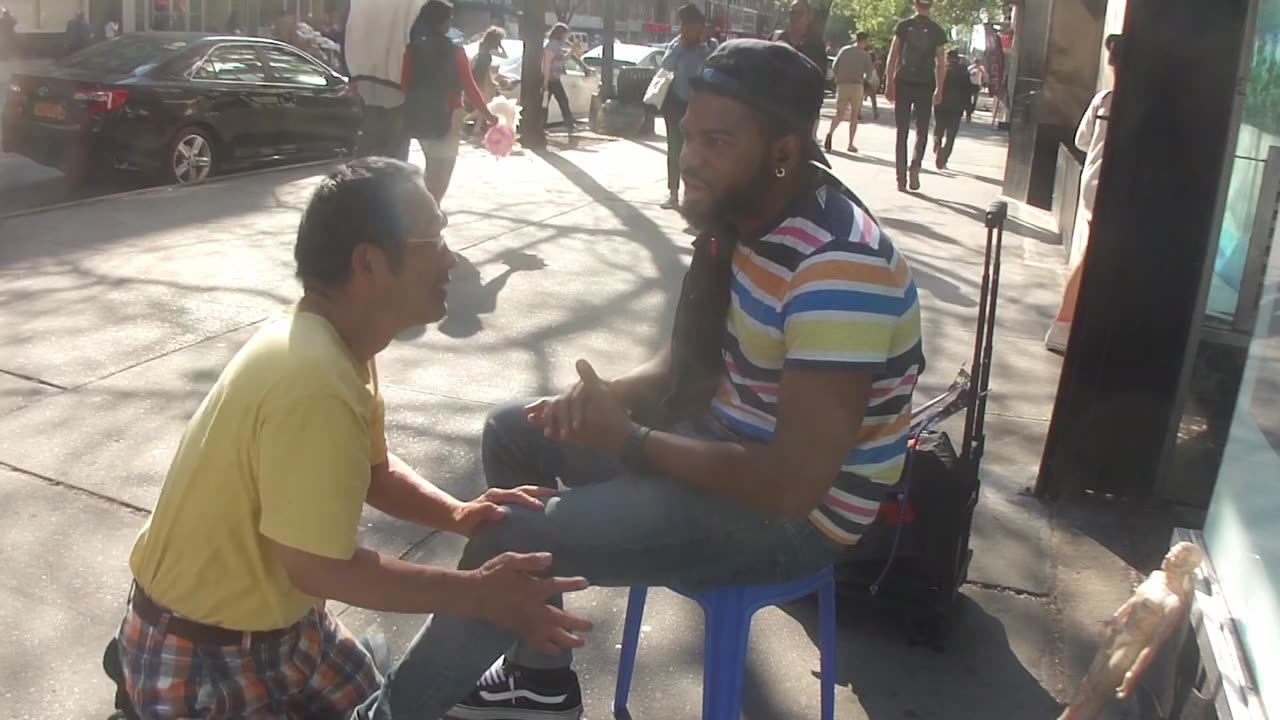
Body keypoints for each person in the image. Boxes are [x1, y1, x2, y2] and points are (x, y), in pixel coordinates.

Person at [353, 38, 925, 720]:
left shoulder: (838, 268)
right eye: (689, 137)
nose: (693, 160)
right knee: (515, 431)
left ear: (783, 152)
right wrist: (604, 400)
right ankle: (540, 677)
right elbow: (688, 366)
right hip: (718, 448)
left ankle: (389, 713)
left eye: (718, 141)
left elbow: (791, 484)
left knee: (512, 533)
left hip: (792, 520)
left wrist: (629, 440)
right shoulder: (745, 219)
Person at [110, 157, 591, 719]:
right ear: (369, 262)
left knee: (389, 703)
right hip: (204, 657)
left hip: (293, 630)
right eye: (433, 238)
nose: (452, 257)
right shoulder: (314, 378)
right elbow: (320, 568)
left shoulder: (338, 345)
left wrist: (459, 513)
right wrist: (479, 593)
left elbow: (373, 472)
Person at [1046, 35, 1122, 352]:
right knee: (1093, 256)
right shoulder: (1135, 103)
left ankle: (1071, 323)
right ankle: (1063, 324)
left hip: (1093, 183)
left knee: (1094, 254)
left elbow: (1081, 141)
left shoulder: (1103, 100)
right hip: (1111, 189)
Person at [401, 0, 497, 203]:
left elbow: (405, 84)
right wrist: (488, 115)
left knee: (431, 166)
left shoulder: (412, 49)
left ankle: (427, 211)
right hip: (449, 114)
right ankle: (429, 214)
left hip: (419, 114)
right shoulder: (456, 52)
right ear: (445, 22)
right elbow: (469, 87)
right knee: (443, 170)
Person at [342, 0, 422, 161]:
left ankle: (361, 175)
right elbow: (417, 37)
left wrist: (351, 72)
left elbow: (348, 31)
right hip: (395, 78)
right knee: (395, 144)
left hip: (364, 76)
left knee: (369, 136)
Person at [885, 0, 947, 192]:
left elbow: (893, 55)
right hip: (925, 85)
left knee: (901, 131)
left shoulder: (903, 27)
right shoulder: (937, 31)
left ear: (915, 4)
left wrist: (889, 82)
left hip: (903, 82)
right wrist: (940, 88)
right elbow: (941, 63)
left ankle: (900, 178)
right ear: (931, 6)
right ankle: (915, 166)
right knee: (921, 131)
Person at [658, 3, 713, 211]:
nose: (690, 31)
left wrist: (701, 47)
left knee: (697, 151)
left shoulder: (707, 47)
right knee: (675, 149)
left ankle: (695, 194)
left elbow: (714, 65)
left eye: (695, 27)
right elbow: (666, 65)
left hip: (698, 107)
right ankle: (673, 194)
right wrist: (681, 46)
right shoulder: (676, 45)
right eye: (687, 27)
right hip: (675, 104)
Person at [771, 0, 830, 137]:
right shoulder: (777, 38)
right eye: (792, 12)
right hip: (775, 109)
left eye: (799, 13)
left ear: (808, 18)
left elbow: (819, 79)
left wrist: (815, 111)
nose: (794, 17)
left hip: (802, 111)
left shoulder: (816, 45)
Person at [826, 31, 874, 153]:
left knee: (839, 114)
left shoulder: (844, 50)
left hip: (843, 85)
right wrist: (865, 80)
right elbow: (869, 73)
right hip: (856, 86)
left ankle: (830, 132)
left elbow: (835, 65)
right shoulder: (865, 55)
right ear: (865, 41)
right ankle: (850, 144)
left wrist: (838, 77)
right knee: (854, 116)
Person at [464, 26, 508, 137]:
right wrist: (501, 46)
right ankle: (465, 120)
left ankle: (477, 128)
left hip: (480, 76)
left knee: (484, 104)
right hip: (483, 79)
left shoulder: (482, 45)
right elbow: (504, 56)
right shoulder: (491, 49)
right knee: (484, 105)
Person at [932, 49, 971, 170]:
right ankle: (944, 158)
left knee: (938, 131)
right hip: (956, 108)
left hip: (941, 105)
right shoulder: (964, 72)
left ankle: (937, 147)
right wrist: (969, 111)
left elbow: (933, 86)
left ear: (948, 58)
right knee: (951, 136)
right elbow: (968, 93)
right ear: (957, 58)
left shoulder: (941, 70)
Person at [543, 23, 577, 134]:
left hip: (555, 79)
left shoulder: (558, 46)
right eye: (566, 35)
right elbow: (547, 63)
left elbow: (563, 60)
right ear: (561, 34)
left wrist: (572, 50)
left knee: (561, 101)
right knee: (547, 103)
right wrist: (545, 82)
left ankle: (569, 125)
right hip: (550, 79)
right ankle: (542, 127)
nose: (566, 37)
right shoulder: (552, 45)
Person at [967, 56, 987, 122]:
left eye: (978, 62)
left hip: (977, 84)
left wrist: (984, 82)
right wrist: (972, 72)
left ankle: (972, 109)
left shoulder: (981, 68)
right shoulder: (970, 67)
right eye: (976, 62)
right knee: (969, 98)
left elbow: (984, 75)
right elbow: (967, 73)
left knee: (975, 98)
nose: (977, 63)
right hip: (970, 84)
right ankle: (968, 112)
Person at [867, 49, 883, 119]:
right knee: (873, 98)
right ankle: (875, 112)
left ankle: (858, 112)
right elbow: (878, 70)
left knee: (860, 97)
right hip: (873, 79)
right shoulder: (876, 63)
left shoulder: (866, 63)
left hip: (867, 78)